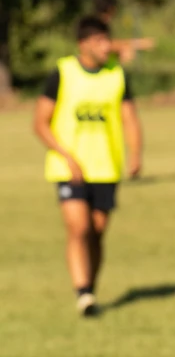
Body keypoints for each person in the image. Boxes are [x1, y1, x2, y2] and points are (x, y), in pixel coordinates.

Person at [34, 16, 143, 316]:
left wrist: (136, 154)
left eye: (107, 40)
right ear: (83, 44)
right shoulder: (63, 72)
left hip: (106, 166)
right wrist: (66, 155)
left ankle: (90, 288)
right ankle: (82, 293)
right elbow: (40, 123)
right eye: (98, 41)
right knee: (78, 227)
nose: (105, 46)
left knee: (97, 231)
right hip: (69, 167)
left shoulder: (116, 75)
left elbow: (130, 117)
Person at [92, 0, 156, 65]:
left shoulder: (101, 24)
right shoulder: (96, 26)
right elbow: (108, 45)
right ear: (109, 9)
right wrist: (139, 44)